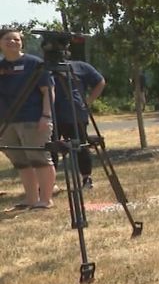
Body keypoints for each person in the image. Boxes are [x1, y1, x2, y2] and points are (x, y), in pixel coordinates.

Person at [0, 29, 55, 209]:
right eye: (7, 39)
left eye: (16, 39)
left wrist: (46, 116)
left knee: (39, 159)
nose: (12, 42)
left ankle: (46, 200)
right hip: (7, 122)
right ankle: (30, 199)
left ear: (22, 43)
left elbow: (48, 91)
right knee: (21, 162)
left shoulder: (35, 64)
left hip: (33, 119)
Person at [53, 60, 106, 189]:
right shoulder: (42, 67)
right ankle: (49, 183)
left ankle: (86, 178)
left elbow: (100, 81)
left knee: (80, 146)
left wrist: (88, 101)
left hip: (75, 114)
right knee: (50, 149)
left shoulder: (80, 66)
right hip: (50, 114)